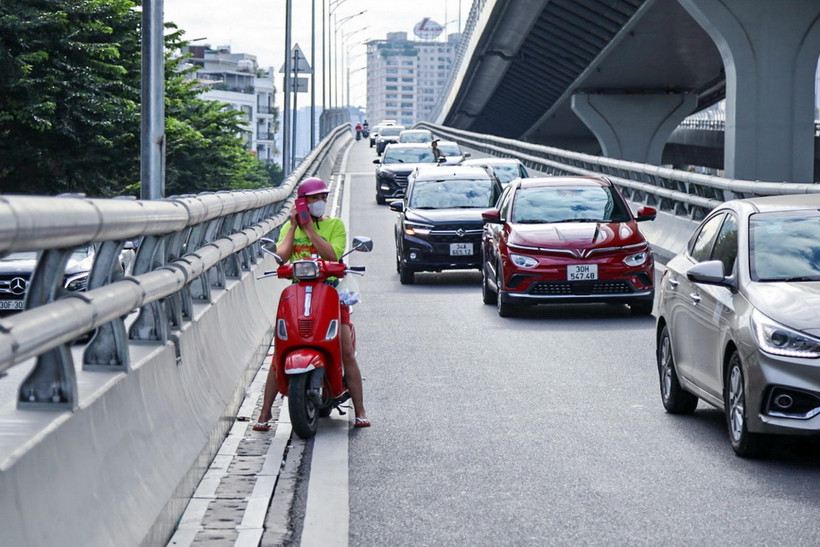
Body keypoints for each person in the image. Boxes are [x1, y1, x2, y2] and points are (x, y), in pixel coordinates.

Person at [254, 177, 370, 430]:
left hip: (330, 293)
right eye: (314, 198)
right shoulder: (290, 228)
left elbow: (333, 255)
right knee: (280, 351)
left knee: (345, 347)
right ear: (301, 203)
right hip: (298, 293)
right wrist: (294, 227)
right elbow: (281, 258)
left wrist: (309, 230)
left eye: (322, 198)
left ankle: (359, 410)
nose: (320, 202)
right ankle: (264, 413)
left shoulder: (335, 225)